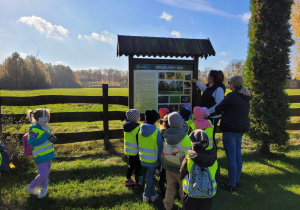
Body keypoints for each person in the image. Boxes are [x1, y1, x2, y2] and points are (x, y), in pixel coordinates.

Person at [215, 76, 252, 192]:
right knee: (237, 156)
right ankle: (236, 180)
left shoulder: (232, 96)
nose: (228, 84)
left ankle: (231, 185)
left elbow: (218, 108)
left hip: (230, 129)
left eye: (229, 82)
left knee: (231, 157)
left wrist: (223, 111)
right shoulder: (245, 96)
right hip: (240, 129)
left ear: (233, 85)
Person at [161, 112, 192, 210]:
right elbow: (188, 155)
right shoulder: (185, 137)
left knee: (170, 188)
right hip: (181, 169)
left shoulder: (165, 134)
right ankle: (184, 205)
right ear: (181, 123)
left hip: (168, 166)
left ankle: (167, 206)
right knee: (183, 190)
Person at [180, 130, 218, 210]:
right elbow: (217, 176)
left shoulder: (188, 159)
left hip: (191, 192)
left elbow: (182, 173)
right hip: (208, 192)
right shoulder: (213, 160)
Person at [25, 108, 57, 199]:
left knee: (46, 174)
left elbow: (50, 139)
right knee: (43, 174)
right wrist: (46, 135)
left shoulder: (46, 127)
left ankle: (44, 189)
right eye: (47, 117)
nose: (49, 119)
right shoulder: (34, 130)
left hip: (48, 155)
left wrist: (53, 138)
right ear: (41, 119)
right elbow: (32, 143)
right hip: (40, 156)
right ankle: (31, 187)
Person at [192, 70, 226, 146]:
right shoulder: (211, 87)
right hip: (207, 115)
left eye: (209, 76)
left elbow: (219, 104)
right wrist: (197, 82)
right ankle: (206, 152)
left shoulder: (219, 89)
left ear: (212, 78)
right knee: (205, 135)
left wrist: (207, 111)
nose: (207, 77)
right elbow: (205, 90)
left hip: (213, 116)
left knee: (210, 136)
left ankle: (212, 152)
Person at [138, 109, 163, 203]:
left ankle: (153, 195)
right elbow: (160, 149)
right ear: (156, 120)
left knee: (150, 176)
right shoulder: (156, 133)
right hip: (153, 160)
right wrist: (161, 161)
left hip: (143, 158)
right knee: (150, 177)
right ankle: (146, 195)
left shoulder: (140, 130)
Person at [123, 109, 142, 188]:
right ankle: (137, 182)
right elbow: (139, 140)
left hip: (128, 149)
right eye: (138, 116)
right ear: (136, 118)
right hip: (135, 151)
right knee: (137, 166)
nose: (140, 117)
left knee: (131, 165)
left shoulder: (126, 126)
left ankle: (128, 179)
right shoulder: (137, 128)